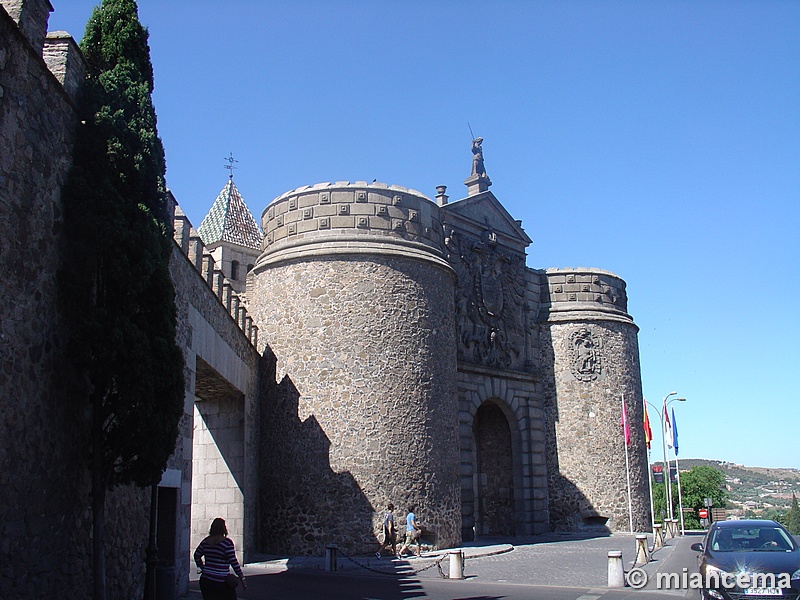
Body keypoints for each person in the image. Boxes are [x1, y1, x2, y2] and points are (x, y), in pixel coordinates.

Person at [194, 518, 247, 599]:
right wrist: (242, 578)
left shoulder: (206, 541)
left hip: (206, 579)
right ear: (223, 528)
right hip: (221, 581)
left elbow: (197, 555)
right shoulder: (227, 543)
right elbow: (234, 562)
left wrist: (202, 567)